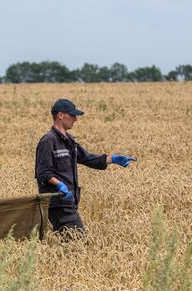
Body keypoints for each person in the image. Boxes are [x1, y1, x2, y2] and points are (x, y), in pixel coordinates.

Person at [35, 98, 137, 236]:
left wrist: (113, 159)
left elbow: (87, 158)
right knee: (77, 239)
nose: (75, 119)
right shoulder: (48, 141)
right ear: (60, 115)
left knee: (70, 243)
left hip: (69, 202)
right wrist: (59, 185)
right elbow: (43, 172)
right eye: (72, 115)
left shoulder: (69, 141)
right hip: (57, 202)